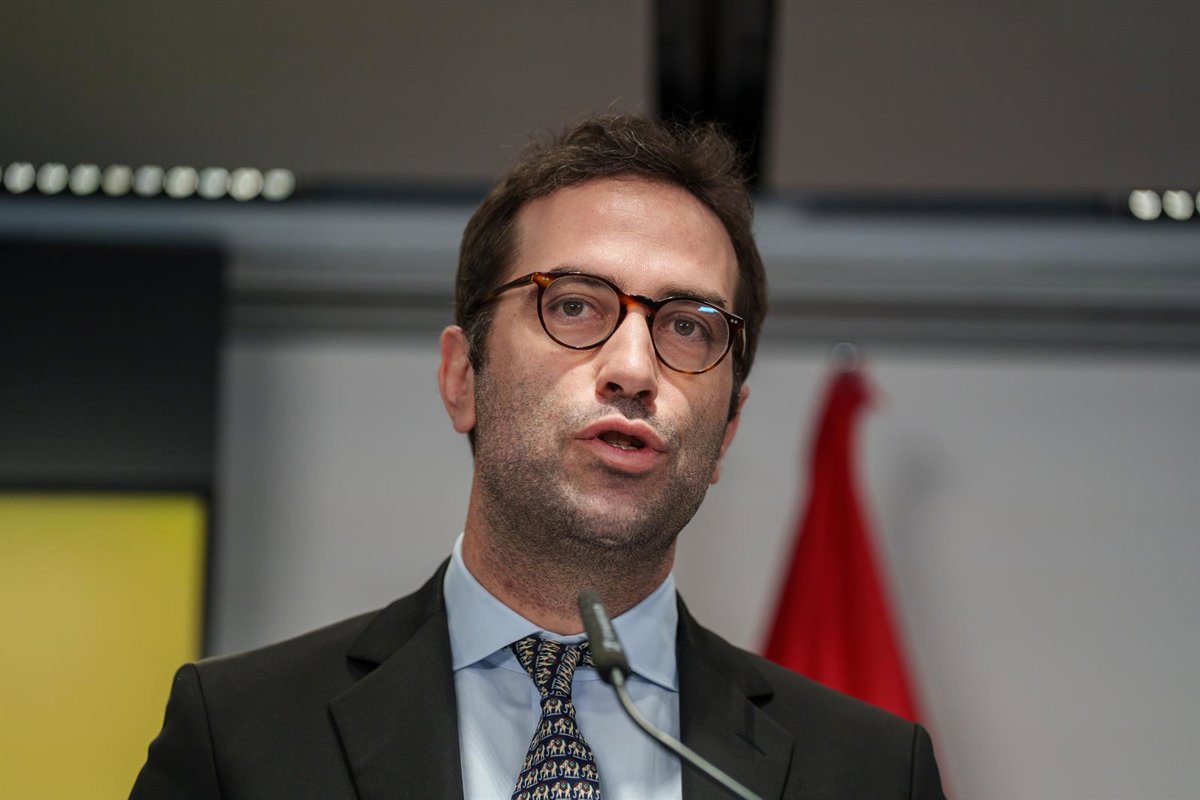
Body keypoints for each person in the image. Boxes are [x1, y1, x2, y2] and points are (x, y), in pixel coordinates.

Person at [131, 114, 946, 799]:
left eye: (687, 327)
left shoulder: (871, 774)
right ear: (463, 378)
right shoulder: (237, 739)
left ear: (727, 431)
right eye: (576, 306)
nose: (635, 369)